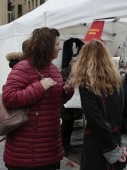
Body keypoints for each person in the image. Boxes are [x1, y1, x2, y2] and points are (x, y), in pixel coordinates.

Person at [2, 27, 74, 170]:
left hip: (50, 148)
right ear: (46, 46)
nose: (60, 48)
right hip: (25, 151)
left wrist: (66, 89)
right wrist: (39, 87)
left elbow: (56, 101)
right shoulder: (23, 67)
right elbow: (9, 97)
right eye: (57, 44)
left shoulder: (53, 69)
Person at [71, 39, 127, 170]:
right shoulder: (119, 81)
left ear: (84, 59)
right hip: (115, 140)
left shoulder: (87, 85)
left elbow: (96, 121)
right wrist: (122, 146)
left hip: (98, 142)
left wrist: (115, 150)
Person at [60, 57, 83, 156]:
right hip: (66, 103)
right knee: (64, 126)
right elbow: (61, 85)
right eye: (75, 62)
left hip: (74, 103)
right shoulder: (64, 72)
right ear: (71, 63)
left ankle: (68, 145)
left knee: (70, 126)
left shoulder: (80, 73)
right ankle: (61, 146)